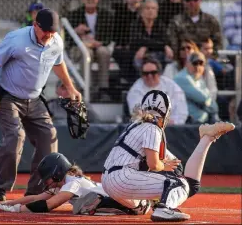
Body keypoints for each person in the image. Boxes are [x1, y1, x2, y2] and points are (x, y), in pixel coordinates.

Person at [75, 90, 235, 221]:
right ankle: (164, 209)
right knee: (179, 183)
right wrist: (164, 167)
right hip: (123, 178)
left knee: (142, 207)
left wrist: (166, 167)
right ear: (165, 113)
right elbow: (154, 164)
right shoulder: (153, 128)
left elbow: (159, 162)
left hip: (109, 180)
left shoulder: (134, 125)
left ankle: (102, 202)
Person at [0, 8, 82, 201]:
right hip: (8, 96)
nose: (49, 35)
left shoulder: (56, 41)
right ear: (35, 25)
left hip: (35, 98)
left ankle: (37, 190)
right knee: (15, 136)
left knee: (49, 135)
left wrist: (71, 88)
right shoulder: (16, 39)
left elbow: (58, 62)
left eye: (52, 31)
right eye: (45, 30)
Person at [0, 153, 151, 216]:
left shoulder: (73, 183)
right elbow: (36, 197)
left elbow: (49, 205)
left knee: (85, 205)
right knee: (84, 204)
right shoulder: (66, 182)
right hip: (126, 197)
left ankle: (97, 206)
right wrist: (4, 204)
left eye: (47, 177)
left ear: (56, 172)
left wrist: (18, 210)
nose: (46, 182)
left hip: (132, 203)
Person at [127, 57, 188, 125]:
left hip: (172, 127)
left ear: (159, 73)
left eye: (153, 72)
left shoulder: (171, 86)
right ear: (141, 75)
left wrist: (174, 122)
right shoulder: (135, 90)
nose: (150, 76)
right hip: (145, 129)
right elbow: (137, 113)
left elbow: (182, 110)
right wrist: (157, 122)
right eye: (146, 73)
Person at [174, 52, 219, 124]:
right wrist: (207, 105)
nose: (198, 67)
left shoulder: (199, 80)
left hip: (200, 122)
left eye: (201, 64)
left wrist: (207, 104)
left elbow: (208, 101)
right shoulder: (182, 78)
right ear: (187, 64)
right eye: (195, 63)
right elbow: (203, 99)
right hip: (186, 124)